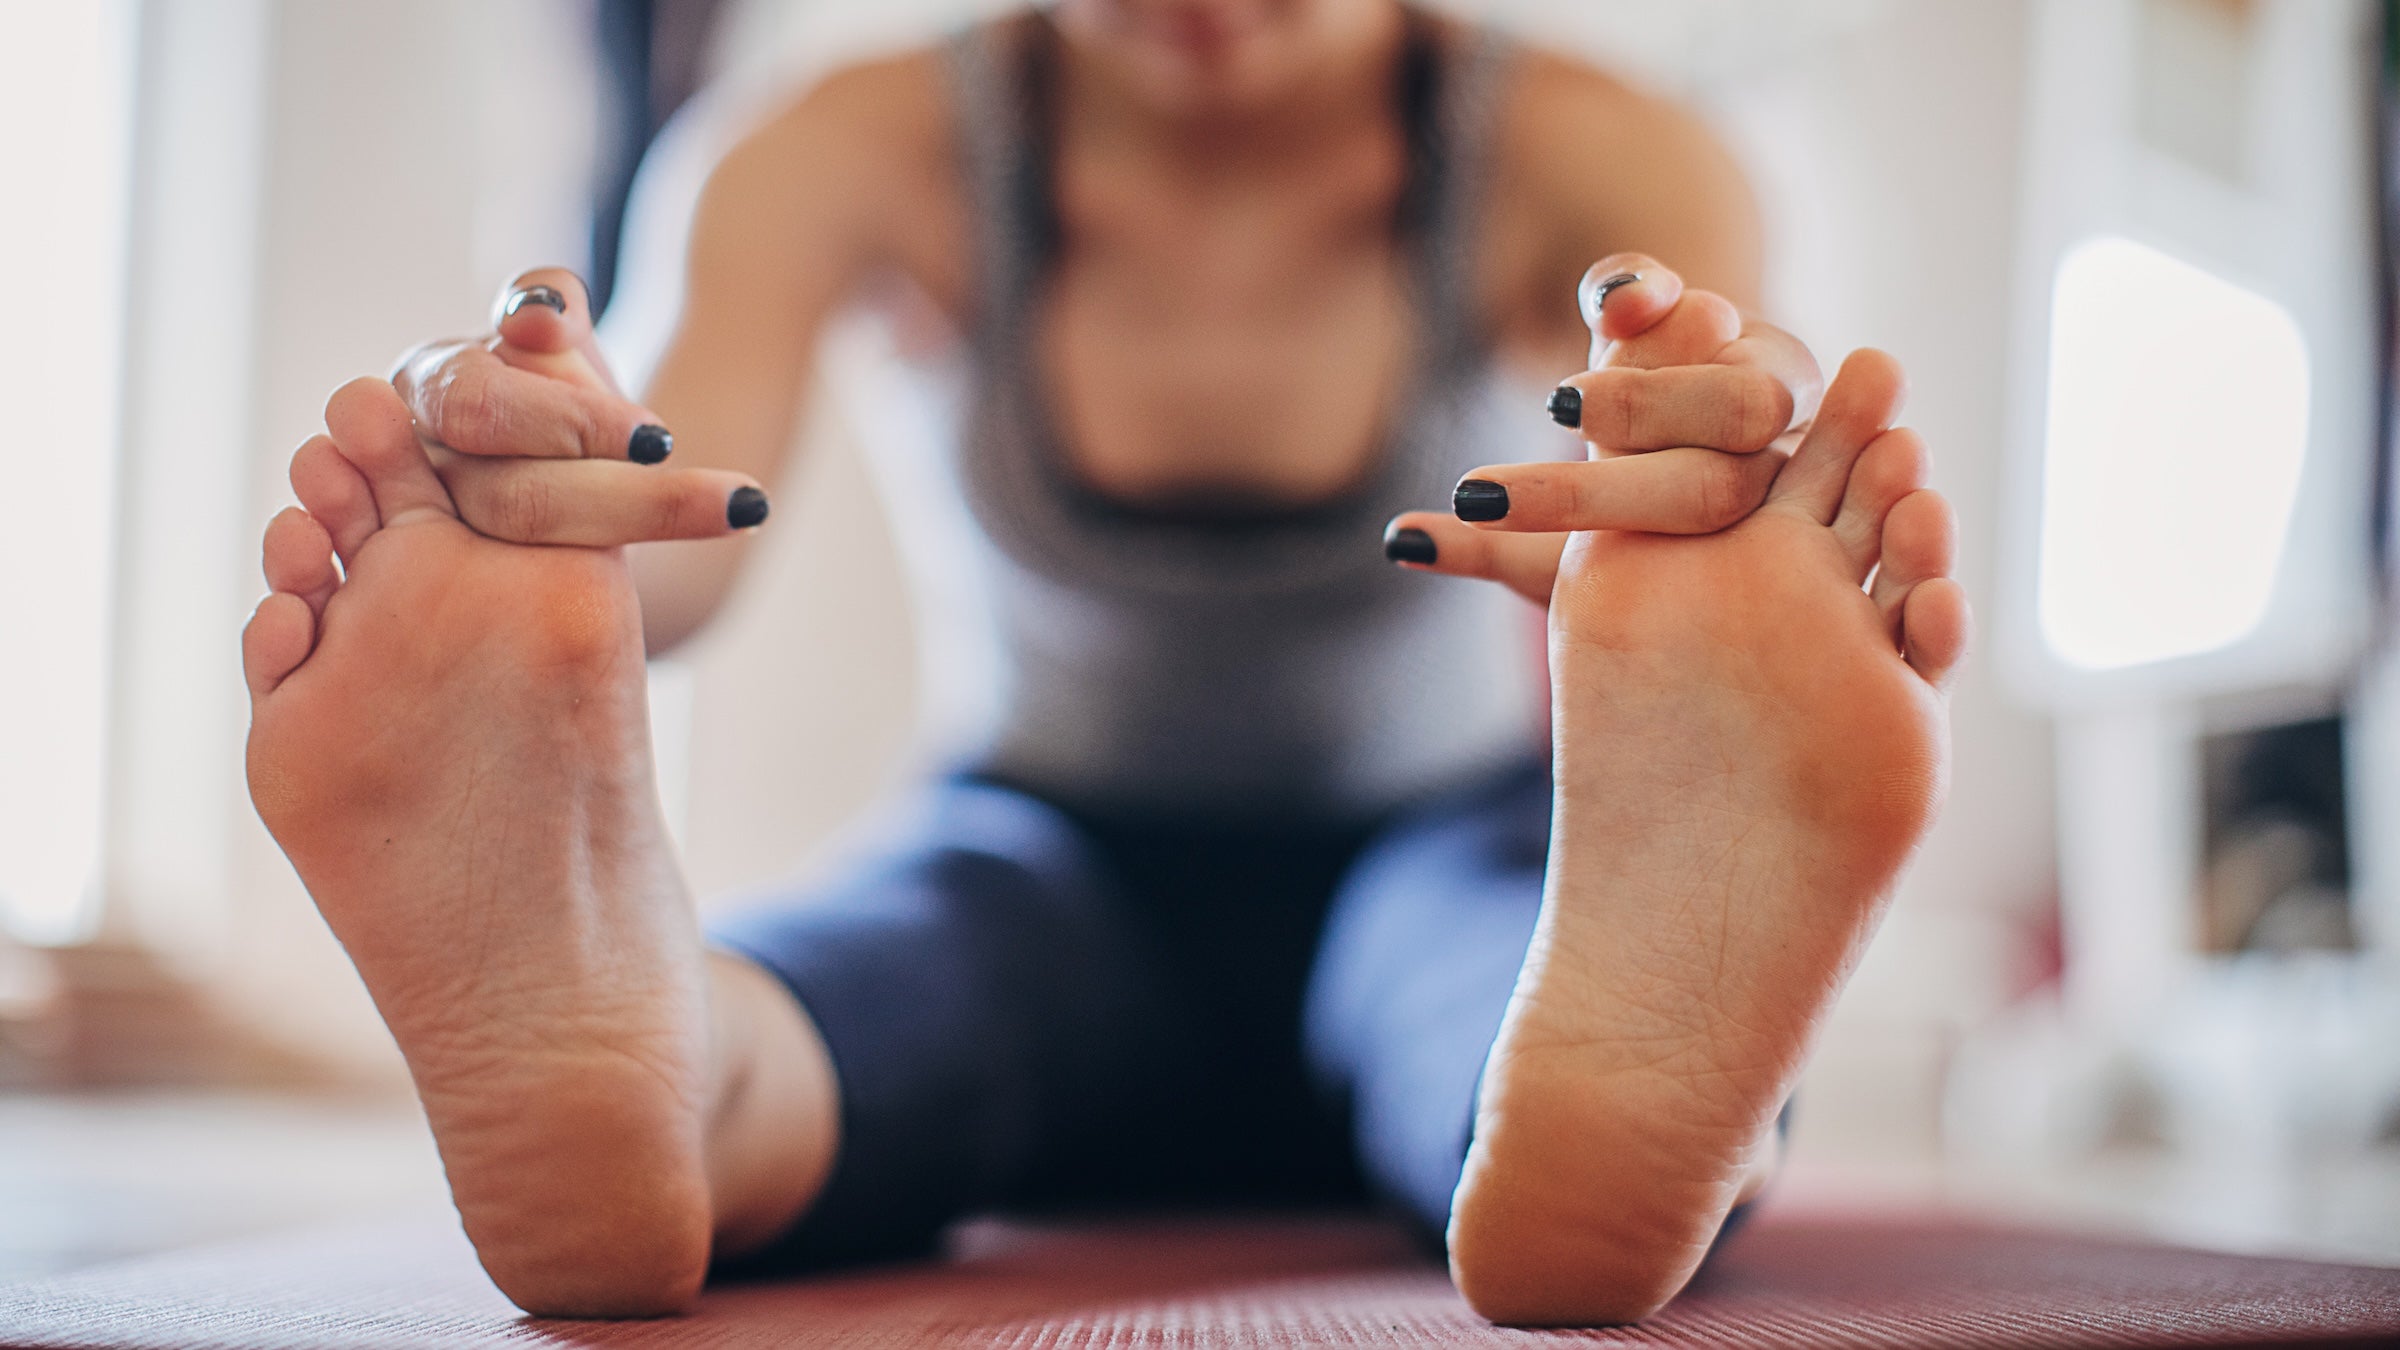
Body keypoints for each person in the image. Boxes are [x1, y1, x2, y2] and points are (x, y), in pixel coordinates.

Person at [240, 0, 1966, 1326]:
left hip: (1457, 850)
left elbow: (1715, 438)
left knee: (1497, 999)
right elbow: (678, 537)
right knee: (847, 982)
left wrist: (1712, 495)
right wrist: (538, 498)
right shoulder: (841, 144)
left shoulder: (1608, 155)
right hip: (1031, 854)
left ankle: (1639, 1116)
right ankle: (631, 1103)